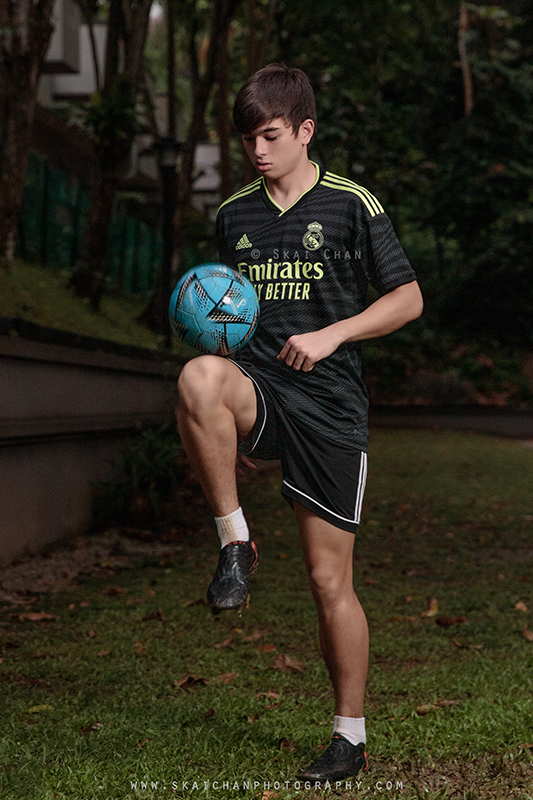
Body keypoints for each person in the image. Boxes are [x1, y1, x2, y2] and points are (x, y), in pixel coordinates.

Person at [177, 63, 423, 781]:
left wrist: (332, 334)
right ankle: (234, 543)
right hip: (260, 390)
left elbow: (407, 298)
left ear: (305, 130)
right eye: (248, 138)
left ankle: (349, 737)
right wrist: (223, 421)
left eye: (271, 135)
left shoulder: (350, 204)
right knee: (198, 376)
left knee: (326, 579)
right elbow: (227, 318)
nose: (257, 150)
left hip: (329, 406)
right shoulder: (233, 216)